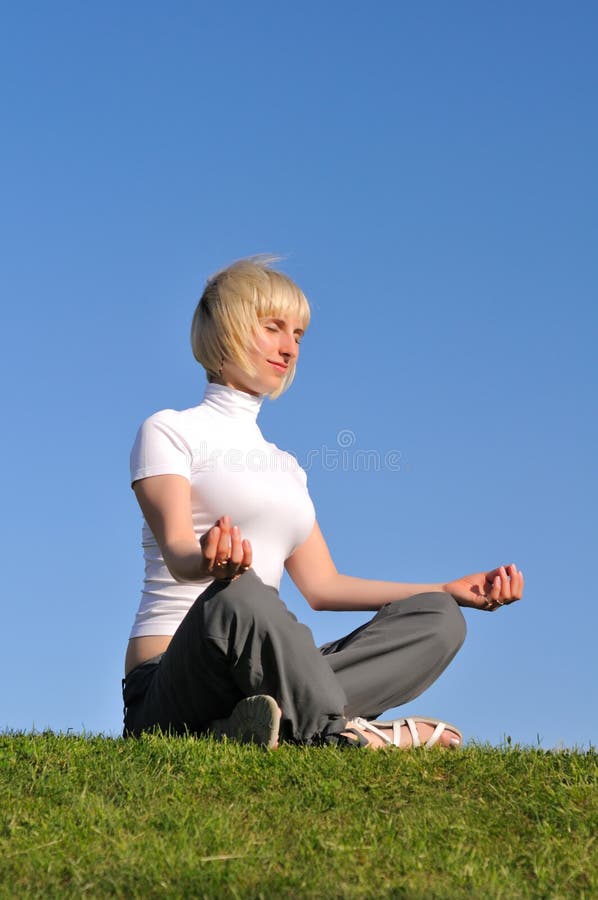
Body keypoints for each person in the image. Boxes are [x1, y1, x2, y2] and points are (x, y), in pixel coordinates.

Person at [122, 257, 524, 750]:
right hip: (172, 680)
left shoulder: (287, 466)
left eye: (298, 334)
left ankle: (261, 724)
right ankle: (344, 732)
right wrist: (210, 560)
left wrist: (445, 588)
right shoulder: (168, 431)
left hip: (262, 675)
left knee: (438, 620)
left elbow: (322, 586)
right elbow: (179, 552)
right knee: (239, 593)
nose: (289, 347)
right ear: (226, 328)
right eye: (273, 328)